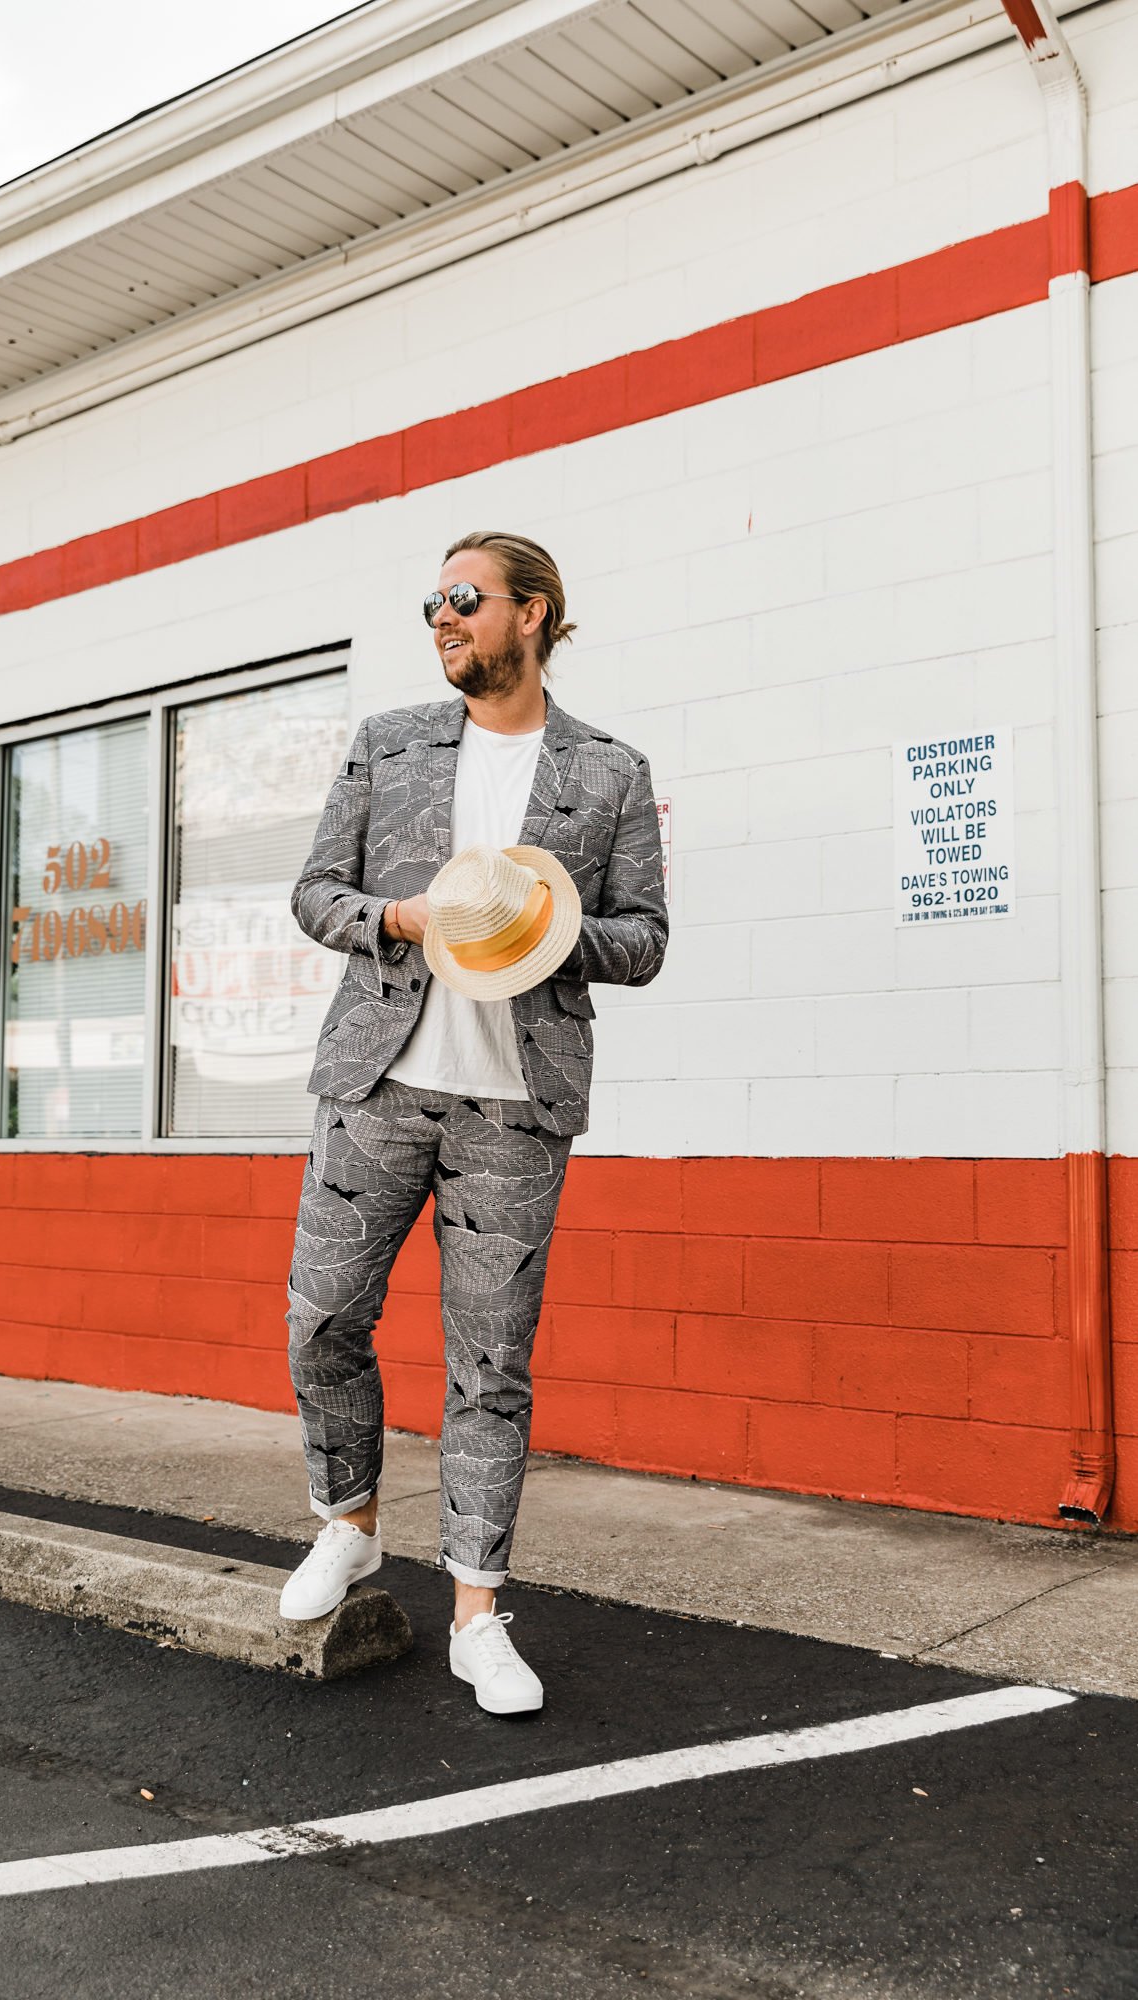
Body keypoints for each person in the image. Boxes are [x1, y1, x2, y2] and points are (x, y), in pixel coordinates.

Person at [278, 529, 668, 1714]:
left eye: (464, 598)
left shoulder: (606, 770)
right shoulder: (387, 743)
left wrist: (547, 927)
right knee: (322, 1316)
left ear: (534, 612)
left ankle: (478, 1612)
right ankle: (345, 1522)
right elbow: (311, 893)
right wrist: (399, 919)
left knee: (489, 1365)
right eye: (432, 602)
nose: (441, 618)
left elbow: (644, 937)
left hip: (517, 1100)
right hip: (379, 1080)